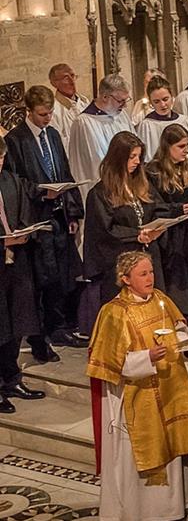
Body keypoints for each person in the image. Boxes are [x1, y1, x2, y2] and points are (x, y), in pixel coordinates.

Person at [86, 250, 188, 520]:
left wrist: (184, 340)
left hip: (169, 389)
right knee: (141, 455)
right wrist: (147, 357)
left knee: (172, 447)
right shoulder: (113, 313)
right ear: (125, 279)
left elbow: (180, 325)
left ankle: (172, 508)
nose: (150, 278)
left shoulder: (159, 299)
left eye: (151, 272)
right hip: (137, 399)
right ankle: (140, 512)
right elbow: (112, 364)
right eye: (143, 274)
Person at [4, 86, 84, 357]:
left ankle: (59, 327)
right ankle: (40, 339)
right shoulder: (17, 140)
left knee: (61, 275)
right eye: (42, 115)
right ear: (29, 111)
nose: (47, 119)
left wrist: (72, 210)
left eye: (50, 113)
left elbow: (63, 169)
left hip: (58, 214)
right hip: (35, 217)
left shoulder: (52, 134)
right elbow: (14, 181)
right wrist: (41, 191)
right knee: (40, 280)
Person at [83, 132, 188, 310]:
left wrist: (181, 209)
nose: (137, 161)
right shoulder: (100, 193)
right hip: (123, 262)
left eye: (139, 156)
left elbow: (156, 207)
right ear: (118, 158)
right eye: (132, 156)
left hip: (148, 256)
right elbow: (105, 230)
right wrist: (137, 235)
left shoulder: (141, 183)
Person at [145, 124, 188, 319]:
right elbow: (154, 205)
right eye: (181, 147)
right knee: (178, 282)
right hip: (173, 235)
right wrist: (178, 209)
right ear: (167, 147)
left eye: (187, 146)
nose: (186, 151)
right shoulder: (154, 171)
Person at [0, 136, 48, 411]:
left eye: (1, 159)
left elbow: (24, 213)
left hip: (16, 262)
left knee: (16, 323)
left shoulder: (10, 180)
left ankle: (12, 378)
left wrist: (24, 231)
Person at [67, 74, 135, 200]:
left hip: (128, 185)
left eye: (126, 100)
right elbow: (92, 164)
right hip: (104, 192)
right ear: (104, 97)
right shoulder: (84, 123)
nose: (125, 105)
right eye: (120, 101)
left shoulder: (122, 115)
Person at [136, 75, 188, 161]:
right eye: (156, 101)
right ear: (151, 102)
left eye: (165, 99)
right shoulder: (146, 126)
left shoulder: (185, 122)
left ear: (172, 97)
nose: (162, 105)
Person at [48, 63, 91, 150]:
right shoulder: (54, 111)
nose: (72, 81)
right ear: (54, 83)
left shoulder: (85, 102)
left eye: (73, 76)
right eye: (66, 78)